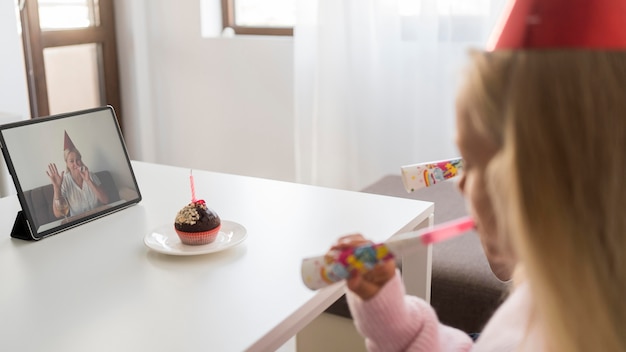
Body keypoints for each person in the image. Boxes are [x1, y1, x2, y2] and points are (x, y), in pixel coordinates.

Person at [327, 1, 626, 351]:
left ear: (544, 183)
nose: (460, 181)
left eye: (474, 163)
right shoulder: (554, 294)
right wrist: (397, 323)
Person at [46, 131, 109, 218]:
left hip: (97, 217)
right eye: (71, 161)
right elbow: (58, 214)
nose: (76, 164)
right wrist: (57, 188)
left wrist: (88, 181)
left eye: (78, 159)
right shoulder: (64, 182)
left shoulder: (90, 175)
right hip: (79, 223)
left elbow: (105, 200)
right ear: (67, 163)